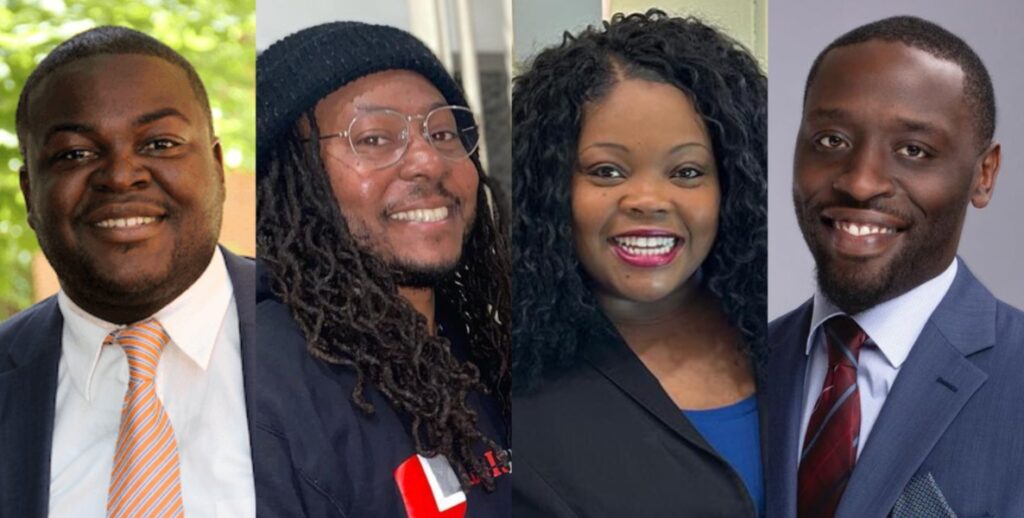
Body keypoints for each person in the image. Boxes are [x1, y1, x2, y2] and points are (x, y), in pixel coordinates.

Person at [763, 15, 1024, 518]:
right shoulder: (744, 364)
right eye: (831, 141)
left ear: (984, 175)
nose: (860, 183)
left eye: (913, 150)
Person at [512, 11, 767, 517]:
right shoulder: (509, 393)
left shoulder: (792, 342)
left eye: (687, 171)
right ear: (550, 188)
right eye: (607, 171)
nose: (648, 199)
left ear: (733, 188)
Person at [254, 22, 511, 517]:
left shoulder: (488, 355)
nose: (428, 161)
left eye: (443, 133)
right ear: (293, 179)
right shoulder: (264, 393)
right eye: (374, 138)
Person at [0, 27, 256, 516]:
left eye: (159, 144)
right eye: (75, 153)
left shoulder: (332, 343)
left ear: (218, 168)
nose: (120, 175)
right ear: (31, 192)